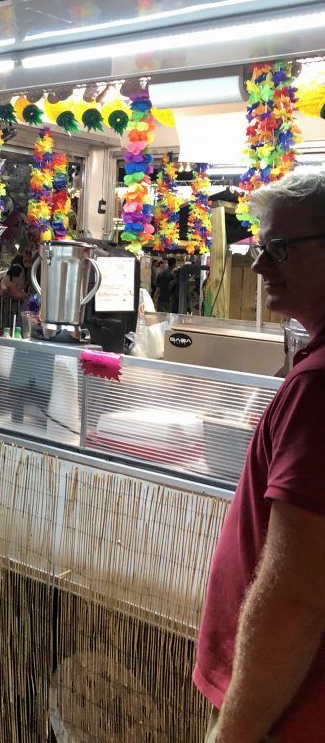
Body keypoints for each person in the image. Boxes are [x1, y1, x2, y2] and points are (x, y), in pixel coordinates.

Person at [193, 168, 325, 742]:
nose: (258, 266)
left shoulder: (317, 387)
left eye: (277, 248)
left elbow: (295, 602)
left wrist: (234, 733)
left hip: (286, 710)